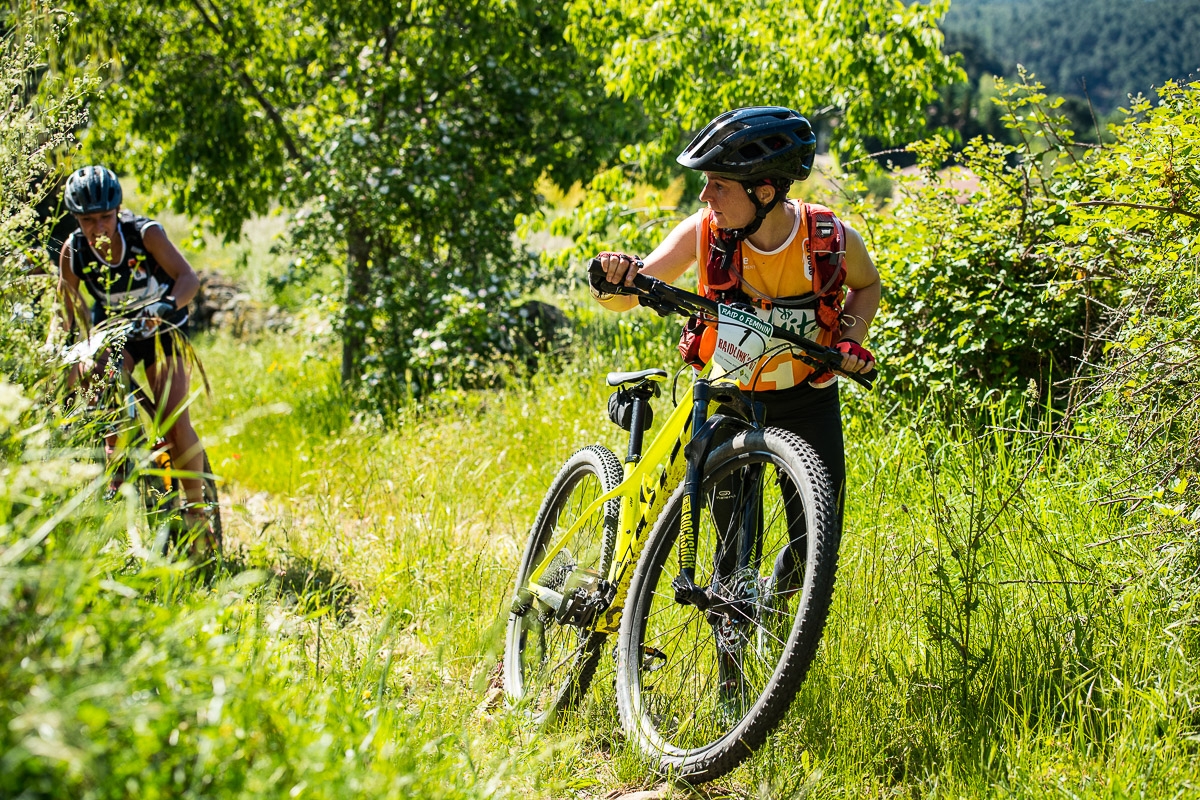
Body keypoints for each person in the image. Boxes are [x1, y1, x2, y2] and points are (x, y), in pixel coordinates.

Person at [588, 106, 881, 541]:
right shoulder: (702, 233)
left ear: (763, 193)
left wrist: (851, 340)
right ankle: (735, 607)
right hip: (731, 401)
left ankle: (786, 605)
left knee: (818, 541)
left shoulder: (828, 239)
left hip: (809, 401)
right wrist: (612, 279)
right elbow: (631, 294)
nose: (705, 196)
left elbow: (868, 284)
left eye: (719, 184)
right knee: (734, 552)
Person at [56, 165, 215, 548]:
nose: (99, 228)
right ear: (76, 220)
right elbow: (69, 318)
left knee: (173, 420)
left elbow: (188, 279)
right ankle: (117, 455)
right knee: (97, 374)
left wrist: (166, 305)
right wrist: (66, 353)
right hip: (117, 336)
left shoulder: (145, 235)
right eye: (88, 220)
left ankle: (197, 513)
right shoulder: (73, 252)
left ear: (119, 210)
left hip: (162, 330)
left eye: (105, 217)